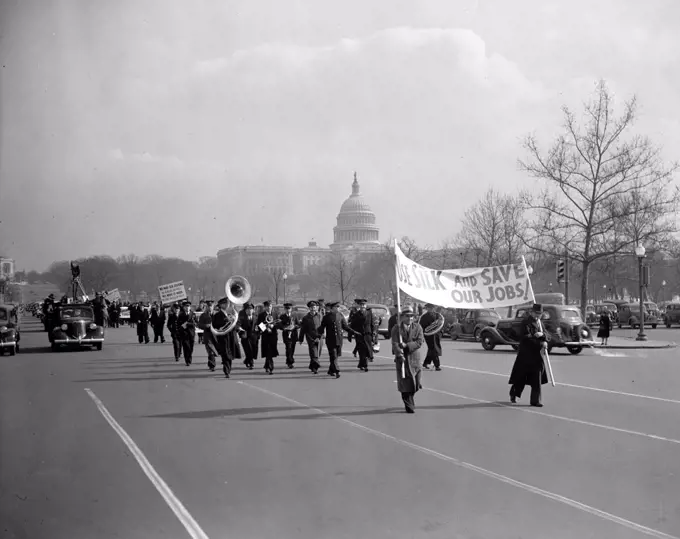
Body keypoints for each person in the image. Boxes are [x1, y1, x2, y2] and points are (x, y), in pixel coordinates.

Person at [508, 304, 551, 407]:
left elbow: (548, 335)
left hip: (536, 356)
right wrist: (540, 342)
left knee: (537, 377)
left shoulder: (540, 323)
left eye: (540, 314)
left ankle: (535, 400)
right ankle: (514, 393)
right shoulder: (525, 323)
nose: (538, 316)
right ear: (531, 312)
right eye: (536, 313)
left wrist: (543, 336)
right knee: (521, 378)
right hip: (526, 355)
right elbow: (525, 338)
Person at [391, 306, 424, 413]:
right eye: (407, 316)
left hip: (414, 359)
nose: (409, 318)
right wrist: (399, 354)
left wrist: (407, 345)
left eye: (411, 316)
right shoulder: (397, 328)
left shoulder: (418, 327)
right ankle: (409, 405)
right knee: (405, 384)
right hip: (402, 359)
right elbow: (395, 343)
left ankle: (411, 397)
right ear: (402, 317)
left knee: (416, 383)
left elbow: (419, 342)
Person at [319, 301, 353, 378]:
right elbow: (321, 328)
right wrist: (317, 335)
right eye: (336, 307)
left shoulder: (340, 315)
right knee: (333, 356)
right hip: (330, 340)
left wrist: (353, 332)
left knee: (336, 356)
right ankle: (337, 371)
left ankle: (330, 370)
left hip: (339, 340)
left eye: (338, 307)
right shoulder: (326, 317)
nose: (337, 308)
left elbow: (345, 326)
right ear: (331, 308)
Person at [212, 297, 242, 378]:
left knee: (230, 353)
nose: (227, 305)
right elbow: (215, 325)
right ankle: (226, 370)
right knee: (225, 354)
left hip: (231, 337)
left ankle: (228, 368)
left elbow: (238, 323)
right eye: (224, 303)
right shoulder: (217, 315)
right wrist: (225, 323)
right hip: (223, 337)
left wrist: (236, 325)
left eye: (227, 303)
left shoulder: (232, 313)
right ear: (221, 305)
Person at [348, 298, 375, 372]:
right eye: (361, 305)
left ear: (365, 306)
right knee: (361, 350)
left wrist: (374, 335)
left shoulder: (369, 313)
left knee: (367, 350)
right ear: (359, 306)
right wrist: (350, 335)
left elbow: (372, 324)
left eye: (364, 305)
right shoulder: (356, 314)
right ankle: (364, 365)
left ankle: (362, 364)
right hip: (359, 334)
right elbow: (352, 325)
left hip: (368, 334)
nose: (363, 306)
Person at [298, 300, 323, 374]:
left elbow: (322, 326)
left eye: (314, 307)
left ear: (316, 308)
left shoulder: (319, 316)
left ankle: (312, 366)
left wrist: (321, 335)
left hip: (319, 337)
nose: (313, 308)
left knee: (318, 353)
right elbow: (303, 329)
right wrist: (301, 339)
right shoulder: (306, 318)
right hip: (310, 337)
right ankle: (315, 368)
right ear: (309, 308)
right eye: (311, 307)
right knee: (313, 353)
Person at [256, 300, 279, 374]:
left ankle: (267, 365)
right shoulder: (261, 315)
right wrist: (266, 328)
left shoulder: (275, 314)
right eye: (267, 306)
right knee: (268, 351)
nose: (269, 308)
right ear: (265, 307)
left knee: (271, 351)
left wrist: (273, 325)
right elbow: (259, 325)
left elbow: (278, 323)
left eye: (270, 306)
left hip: (273, 335)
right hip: (265, 335)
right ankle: (270, 367)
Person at [419, 303, 443, 371]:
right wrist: (422, 336)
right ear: (427, 309)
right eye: (429, 308)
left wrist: (441, 332)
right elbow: (421, 327)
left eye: (432, 308)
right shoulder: (424, 317)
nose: (431, 309)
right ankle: (437, 365)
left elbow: (440, 323)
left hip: (436, 335)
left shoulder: (437, 315)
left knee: (431, 349)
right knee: (434, 349)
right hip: (428, 336)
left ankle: (426, 363)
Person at [237, 302, 259, 370]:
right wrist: (239, 328)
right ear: (245, 310)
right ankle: (251, 364)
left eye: (251, 309)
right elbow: (238, 324)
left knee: (254, 350)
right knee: (248, 350)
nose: (249, 310)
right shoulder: (242, 317)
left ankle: (247, 360)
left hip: (254, 337)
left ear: (253, 310)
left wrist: (264, 329)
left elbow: (260, 325)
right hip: (245, 337)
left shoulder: (255, 317)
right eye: (248, 309)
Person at [198, 300, 218, 371]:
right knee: (210, 351)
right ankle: (212, 365)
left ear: (213, 306)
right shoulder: (203, 315)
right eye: (208, 306)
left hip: (216, 335)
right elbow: (199, 325)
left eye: (211, 306)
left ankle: (210, 363)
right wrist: (205, 325)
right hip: (207, 336)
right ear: (206, 307)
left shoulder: (217, 314)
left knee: (215, 351)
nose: (210, 308)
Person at [176, 300, 197, 366]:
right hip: (184, 334)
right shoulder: (181, 315)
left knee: (191, 347)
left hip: (191, 333)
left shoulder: (193, 314)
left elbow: (196, 323)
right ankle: (187, 361)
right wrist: (182, 328)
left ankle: (189, 356)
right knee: (186, 347)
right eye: (186, 306)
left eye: (188, 306)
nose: (187, 307)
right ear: (184, 307)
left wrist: (188, 324)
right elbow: (178, 324)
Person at [278, 303, 299, 368]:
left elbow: (298, 324)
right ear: (284, 309)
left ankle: (289, 359)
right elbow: (279, 325)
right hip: (286, 334)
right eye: (286, 309)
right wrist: (284, 328)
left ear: (291, 309)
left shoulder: (294, 315)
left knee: (292, 348)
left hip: (293, 334)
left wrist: (294, 326)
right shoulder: (282, 316)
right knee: (288, 348)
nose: (288, 310)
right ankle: (290, 362)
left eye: (289, 308)